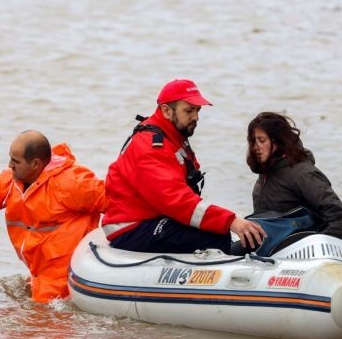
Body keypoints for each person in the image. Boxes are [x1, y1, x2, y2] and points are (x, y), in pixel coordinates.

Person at [102, 79, 266, 253]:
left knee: (214, 232)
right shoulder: (150, 148)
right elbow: (175, 200)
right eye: (189, 111)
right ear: (166, 111)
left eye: (197, 110)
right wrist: (230, 221)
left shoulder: (170, 135)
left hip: (149, 215)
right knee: (214, 237)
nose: (195, 117)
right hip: (132, 227)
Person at [0, 130, 107, 303]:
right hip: (40, 275)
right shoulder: (11, 181)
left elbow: (115, 201)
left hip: (65, 279)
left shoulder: (73, 182)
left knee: (38, 323)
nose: (10, 165)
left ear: (35, 164)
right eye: (10, 159)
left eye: (15, 161)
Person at [246, 112, 342, 238]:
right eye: (252, 141)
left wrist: (318, 247)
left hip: (301, 250)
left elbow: (337, 214)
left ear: (278, 140)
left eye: (262, 140)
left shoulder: (303, 174)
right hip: (269, 247)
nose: (255, 147)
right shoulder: (266, 173)